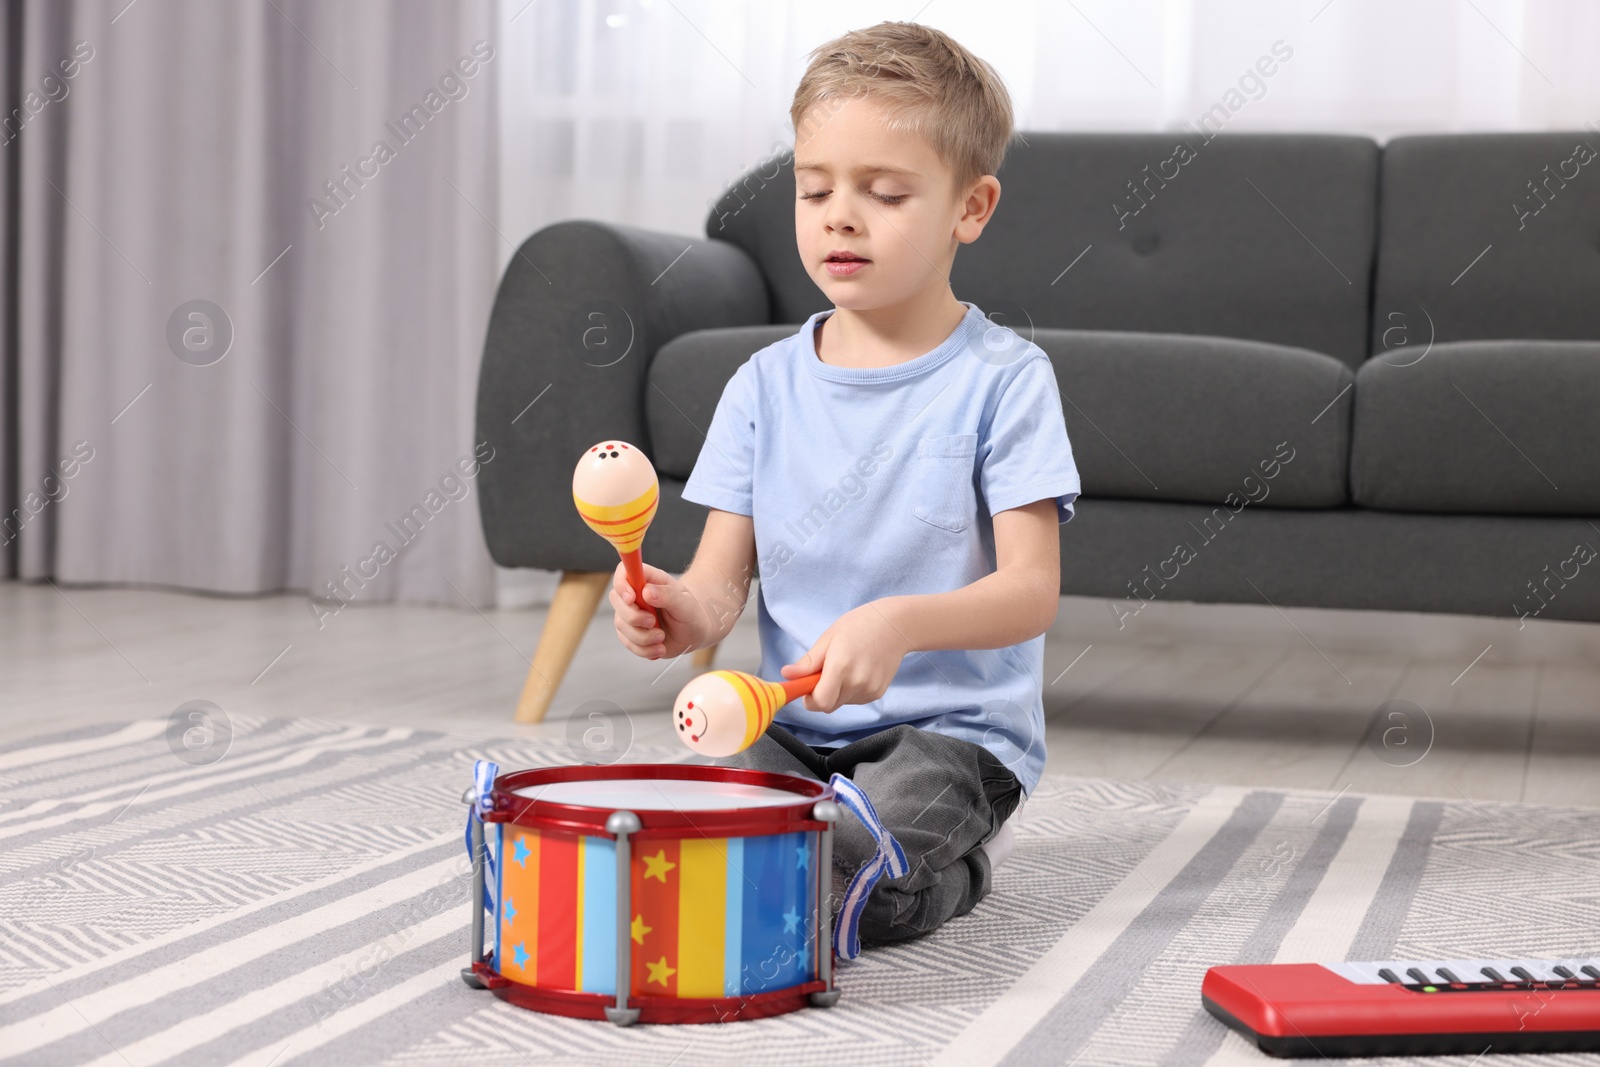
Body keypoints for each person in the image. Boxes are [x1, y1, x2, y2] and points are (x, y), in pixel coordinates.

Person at [609, 20, 1079, 945]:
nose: (840, 215)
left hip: (952, 735)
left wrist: (898, 622)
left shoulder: (1006, 379)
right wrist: (678, 611)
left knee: (836, 872)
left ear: (970, 208)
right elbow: (718, 582)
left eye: (885, 192)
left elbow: (1032, 591)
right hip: (788, 721)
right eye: (815, 187)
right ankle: (820, 853)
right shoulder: (760, 388)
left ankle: (950, 869)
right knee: (699, 830)